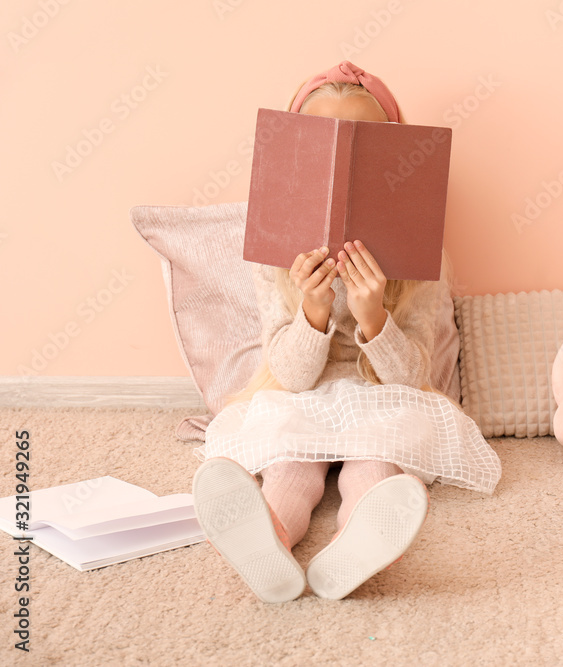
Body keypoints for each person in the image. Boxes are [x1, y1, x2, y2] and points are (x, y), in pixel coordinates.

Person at [191, 61, 501, 604]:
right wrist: (313, 310)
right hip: (303, 393)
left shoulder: (420, 252)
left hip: (384, 396)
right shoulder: (273, 251)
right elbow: (288, 376)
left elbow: (410, 378)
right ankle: (267, 540)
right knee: (290, 465)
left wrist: (375, 313)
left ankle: (355, 545)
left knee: (375, 461)